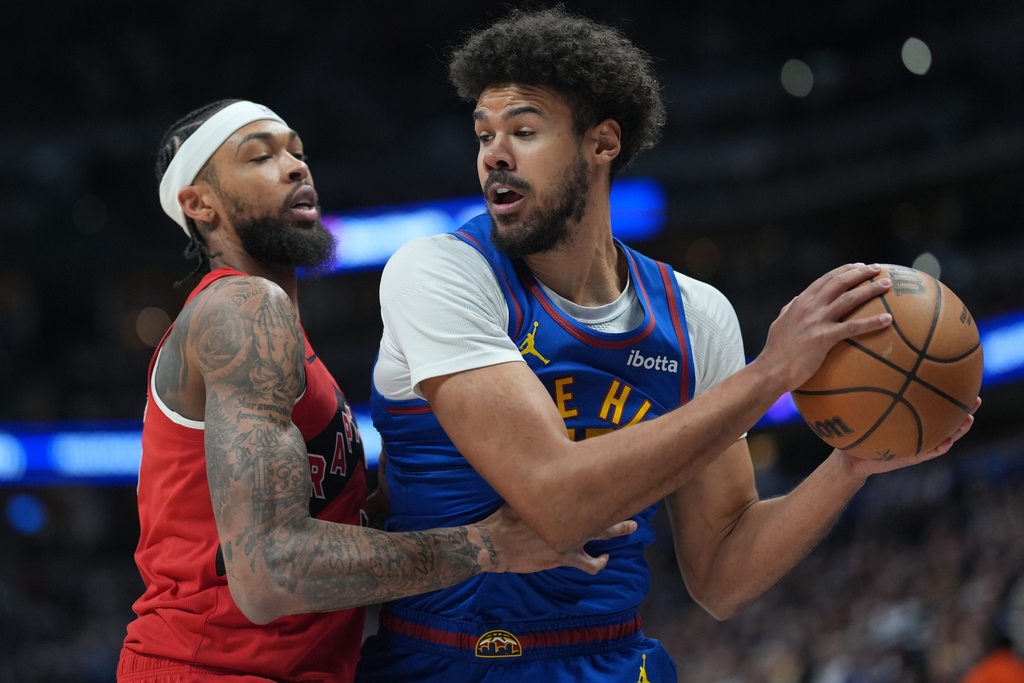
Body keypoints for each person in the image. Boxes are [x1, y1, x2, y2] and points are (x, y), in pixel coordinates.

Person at [356, 7, 980, 683]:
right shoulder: (441, 272)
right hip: (447, 662)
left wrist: (848, 466)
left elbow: (721, 575)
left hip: (615, 660)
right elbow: (554, 502)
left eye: (524, 131)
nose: (494, 154)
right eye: (484, 135)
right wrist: (770, 373)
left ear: (602, 143)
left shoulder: (695, 315)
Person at [117, 99, 635, 683]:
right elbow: (271, 574)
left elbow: (326, 525)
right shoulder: (240, 307)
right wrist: (490, 546)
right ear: (200, 204)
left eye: (297, 152)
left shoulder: (281, 333)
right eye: (261, 157)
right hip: (209, 667)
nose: (295, 167)